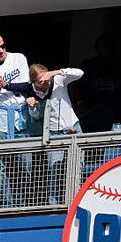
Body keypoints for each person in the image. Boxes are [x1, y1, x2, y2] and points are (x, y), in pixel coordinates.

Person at [27, 64, 83, 205]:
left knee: (77, 166)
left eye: (47, 78)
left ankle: (77, 200)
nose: (46, 82)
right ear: (33, 82)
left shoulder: (58, 80)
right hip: (53, 133)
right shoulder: (32, 91)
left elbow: (80, 73)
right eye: (41, 80)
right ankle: (54, 205)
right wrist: (32, 107)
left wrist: (55, 72)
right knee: (55, 170)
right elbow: (35, 118)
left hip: (73, 128)